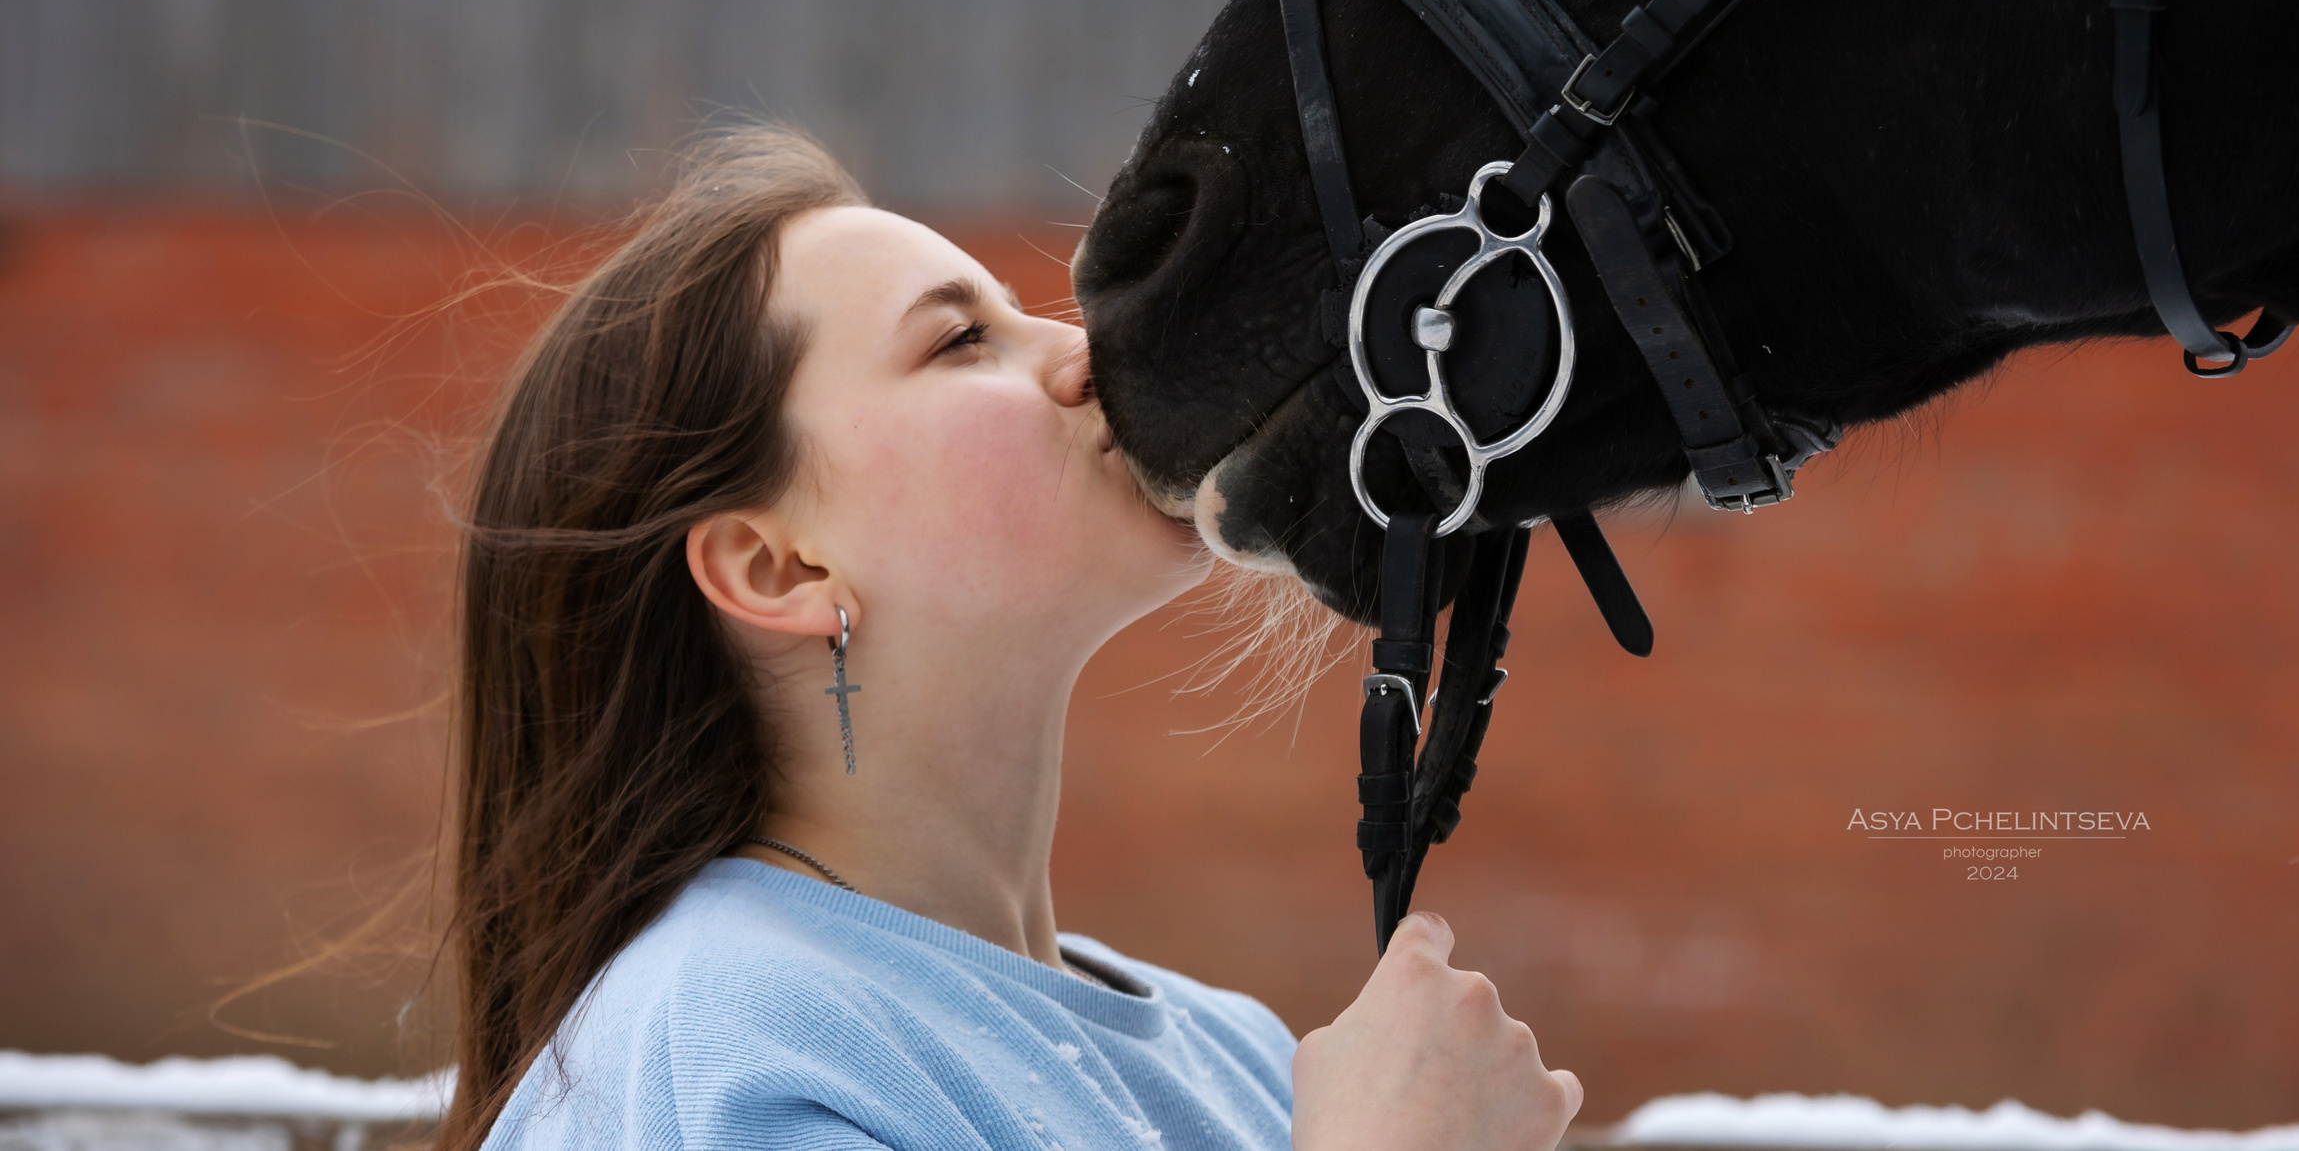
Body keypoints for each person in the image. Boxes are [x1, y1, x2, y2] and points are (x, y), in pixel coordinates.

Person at [443, 125, 1582, 1150]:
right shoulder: (726, 1048)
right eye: (958, 341)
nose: (1084, 350)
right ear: (778, 566)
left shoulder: (1241, 1058)